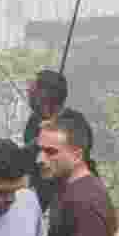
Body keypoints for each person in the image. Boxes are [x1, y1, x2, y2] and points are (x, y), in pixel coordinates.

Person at [21, 70, 97, 212]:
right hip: (43, 197)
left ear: (43, 94)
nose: (28, 91)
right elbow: (28, 162)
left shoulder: (75, 123)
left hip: (72, 199)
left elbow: (69, 167)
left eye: (33, 87)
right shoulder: (34, 122)